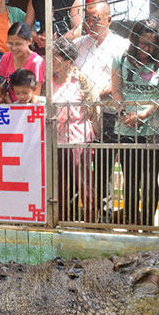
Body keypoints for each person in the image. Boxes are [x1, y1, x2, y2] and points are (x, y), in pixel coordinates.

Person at [112, 19, 159, 226]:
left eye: (151, 44)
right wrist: (124, 113)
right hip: (126, 126)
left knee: (150, 178)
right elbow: (116, 90)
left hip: (152, 127)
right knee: (129, 178)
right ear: (134, 40)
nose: (145, 48)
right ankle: (131, 221)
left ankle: (148, 222)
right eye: (142, 42)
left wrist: (145, 113)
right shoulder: (120, 58)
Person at [72, 0, 130, 223]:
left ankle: (108, 212)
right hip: (83, 114)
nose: (91, 23)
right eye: (88, 18)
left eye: (96, 19)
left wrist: (97, 93)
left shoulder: (122, 46)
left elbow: (122, 81)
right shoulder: (78, 44)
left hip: (111, 112)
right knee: (82, 163)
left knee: (110, 162)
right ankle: (87, 210)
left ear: (109, 20)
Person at [51, 38, 97, 222]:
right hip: (55, 138)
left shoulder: (80, 81)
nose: (51, 61)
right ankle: (60, 219)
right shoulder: (48, 81)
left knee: (83, 181)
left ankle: (91, 221)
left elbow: (93, 110)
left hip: (76, 137)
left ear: (68, 60)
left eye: (55, 58)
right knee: (58, 183)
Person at [0, 22, 45, 101]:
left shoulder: (36, 62)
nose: (14, 48)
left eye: (18, 44)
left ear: (30, 41)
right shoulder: (6, 58)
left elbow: (35, 94)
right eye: (10, 43)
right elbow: (1, 87)